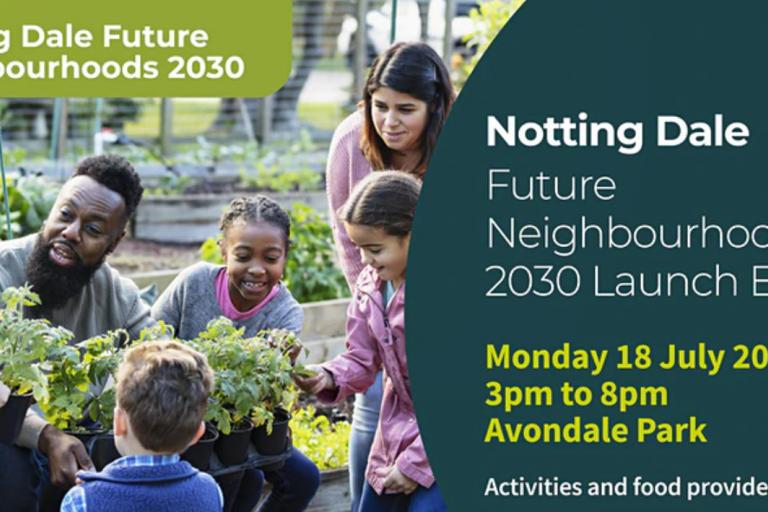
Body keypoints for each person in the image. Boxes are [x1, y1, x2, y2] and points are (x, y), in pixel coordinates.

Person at [325, 41, 455, 511]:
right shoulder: (350, 141)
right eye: (379, 106)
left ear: (433, 106)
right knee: (378, 402)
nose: (389, 121)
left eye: (406, 109)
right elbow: (352, 243)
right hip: (383, 293)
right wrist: (378, 302)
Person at [0, 154, 154, 511]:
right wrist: (45, 436)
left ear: (114, 243)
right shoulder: (4, 268)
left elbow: (158, 367)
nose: (70, 233)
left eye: (93, 229)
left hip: (86, 452)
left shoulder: (121, 299)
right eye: (65, 215)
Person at [152, 195, 319, 512]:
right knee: (244, 478)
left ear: (285, 257)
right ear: (224, 250)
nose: (256, 269)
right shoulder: (194, 282)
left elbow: (267, 385)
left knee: (303, 478)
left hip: (242, 426)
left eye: (271, 258)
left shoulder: (285, 313)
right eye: (243, 256)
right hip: (176, 416)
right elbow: (150, 336)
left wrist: (283, 366)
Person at [297, 171, 446, 511]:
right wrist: (328, 375)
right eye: (359, 248)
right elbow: (362, 358)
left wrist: (416, 465)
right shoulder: (372, 286)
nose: (364, 260)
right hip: (396, 429)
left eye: (375, 249)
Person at [61, 340, 223, 512]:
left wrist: (92, 491)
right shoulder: (211, 491)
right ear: (198, 433)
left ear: (118, 422)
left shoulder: (82, 500)